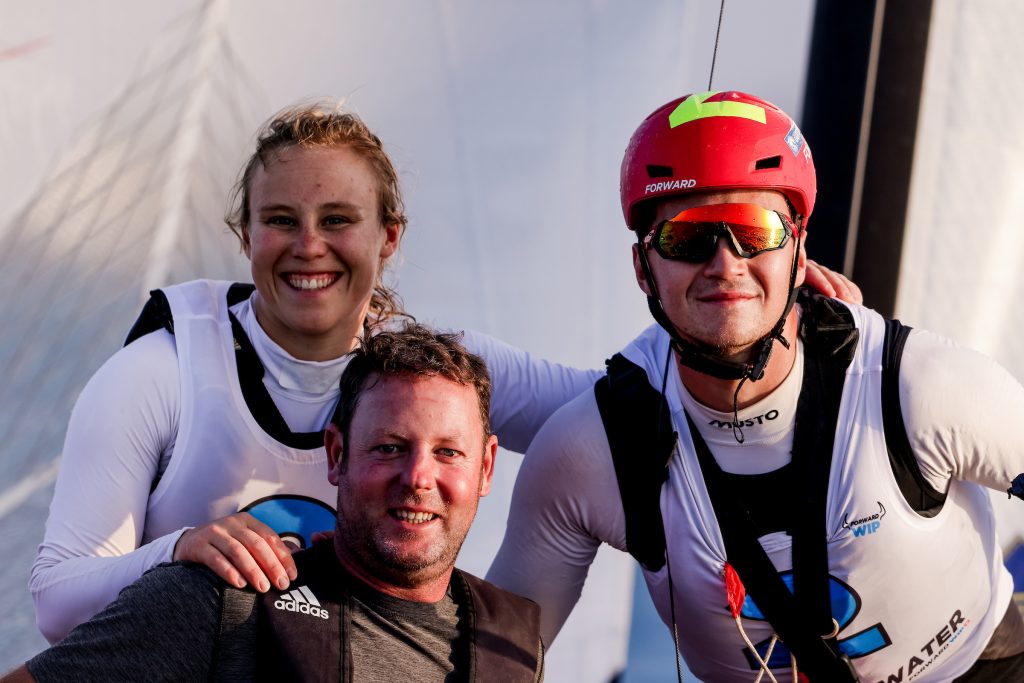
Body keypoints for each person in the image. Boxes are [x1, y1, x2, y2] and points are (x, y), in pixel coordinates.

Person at [29, 99, 858, 645]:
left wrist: (766, 313)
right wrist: (181, 547)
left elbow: (645, 411)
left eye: (338, 220)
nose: (309, 245)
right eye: (281, 220)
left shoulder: (440, 374)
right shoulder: (160, 371)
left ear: (389, 236)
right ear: (243, 233)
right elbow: (58, 598)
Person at [487, 90, 1024, 683]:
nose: (725, 263)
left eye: (754, 230)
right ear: (643, 268)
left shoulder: (919, 385)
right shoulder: (589, 448)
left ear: (796, 254)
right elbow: (494, 668)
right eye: (687, 239)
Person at [8, 325, 544, 682]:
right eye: (389, 448)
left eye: (448, 452)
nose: (418, 478)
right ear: (337, 455)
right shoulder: (224, 599)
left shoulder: (515, 645)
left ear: (486, 468)